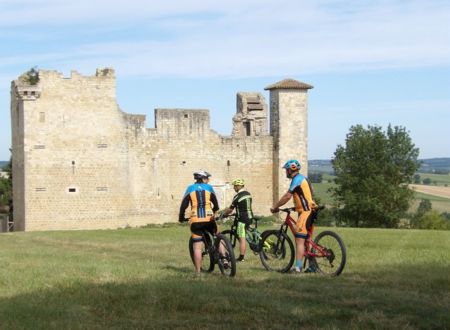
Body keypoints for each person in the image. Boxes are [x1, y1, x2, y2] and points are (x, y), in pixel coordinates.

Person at [270, 159, 316, 273]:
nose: (286, 172)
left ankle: (298, 268)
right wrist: (296, 207)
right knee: (307, 239)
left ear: (291, 170)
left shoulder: (296, 179)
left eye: (287, 170)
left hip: (306, 212)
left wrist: (275, 207)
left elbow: (287, 196)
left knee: (299, 240)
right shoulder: (304, 178)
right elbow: (307, 195)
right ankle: (312, 266)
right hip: (311, 210)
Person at [179, 170, 220, 273]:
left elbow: (183, 205)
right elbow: (216, 204)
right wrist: (213, 211)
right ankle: (224, 259)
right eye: (207, 178)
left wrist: (181, 218)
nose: (208, 180)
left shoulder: (190, 189)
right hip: (209, 218)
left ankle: (198, 272)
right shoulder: (209, 188)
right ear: (203, 179)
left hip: (195, 220)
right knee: (219, 237)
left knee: (197, 247)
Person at [221, 178, 254, 262]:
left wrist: (224, 214)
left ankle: (241, 258)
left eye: (234, 186)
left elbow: (230, 209)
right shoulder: (248, 194)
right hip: (250, 217)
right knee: (247, 234)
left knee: (242, 238)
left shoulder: (237, 196)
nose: (234, 188)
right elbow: (244, 207)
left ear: (238, 186)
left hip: (242, 219)